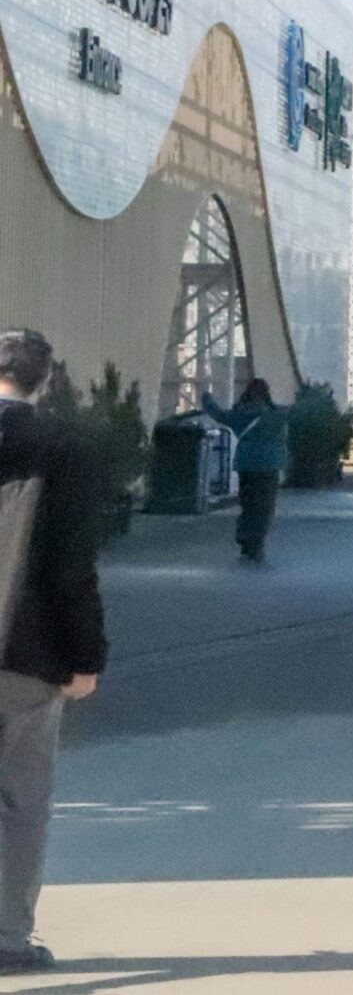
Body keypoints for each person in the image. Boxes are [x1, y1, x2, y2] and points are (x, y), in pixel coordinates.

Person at [0, 330, 106, 972]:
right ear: (45, 380)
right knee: (22, 801)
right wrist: (86, 657)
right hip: (29, 653)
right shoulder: (64, 450)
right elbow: (72, 567)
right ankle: (8, 938)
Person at [207, 380, 287, 561]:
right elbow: (297, 413)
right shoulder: (276, 415)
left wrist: (207, 399)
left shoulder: (240, 413)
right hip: (269, 466)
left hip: (247, 465)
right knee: (264, 507)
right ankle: (256, 542)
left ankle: (245, 540)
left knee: (248, 505)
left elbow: (219, 415)